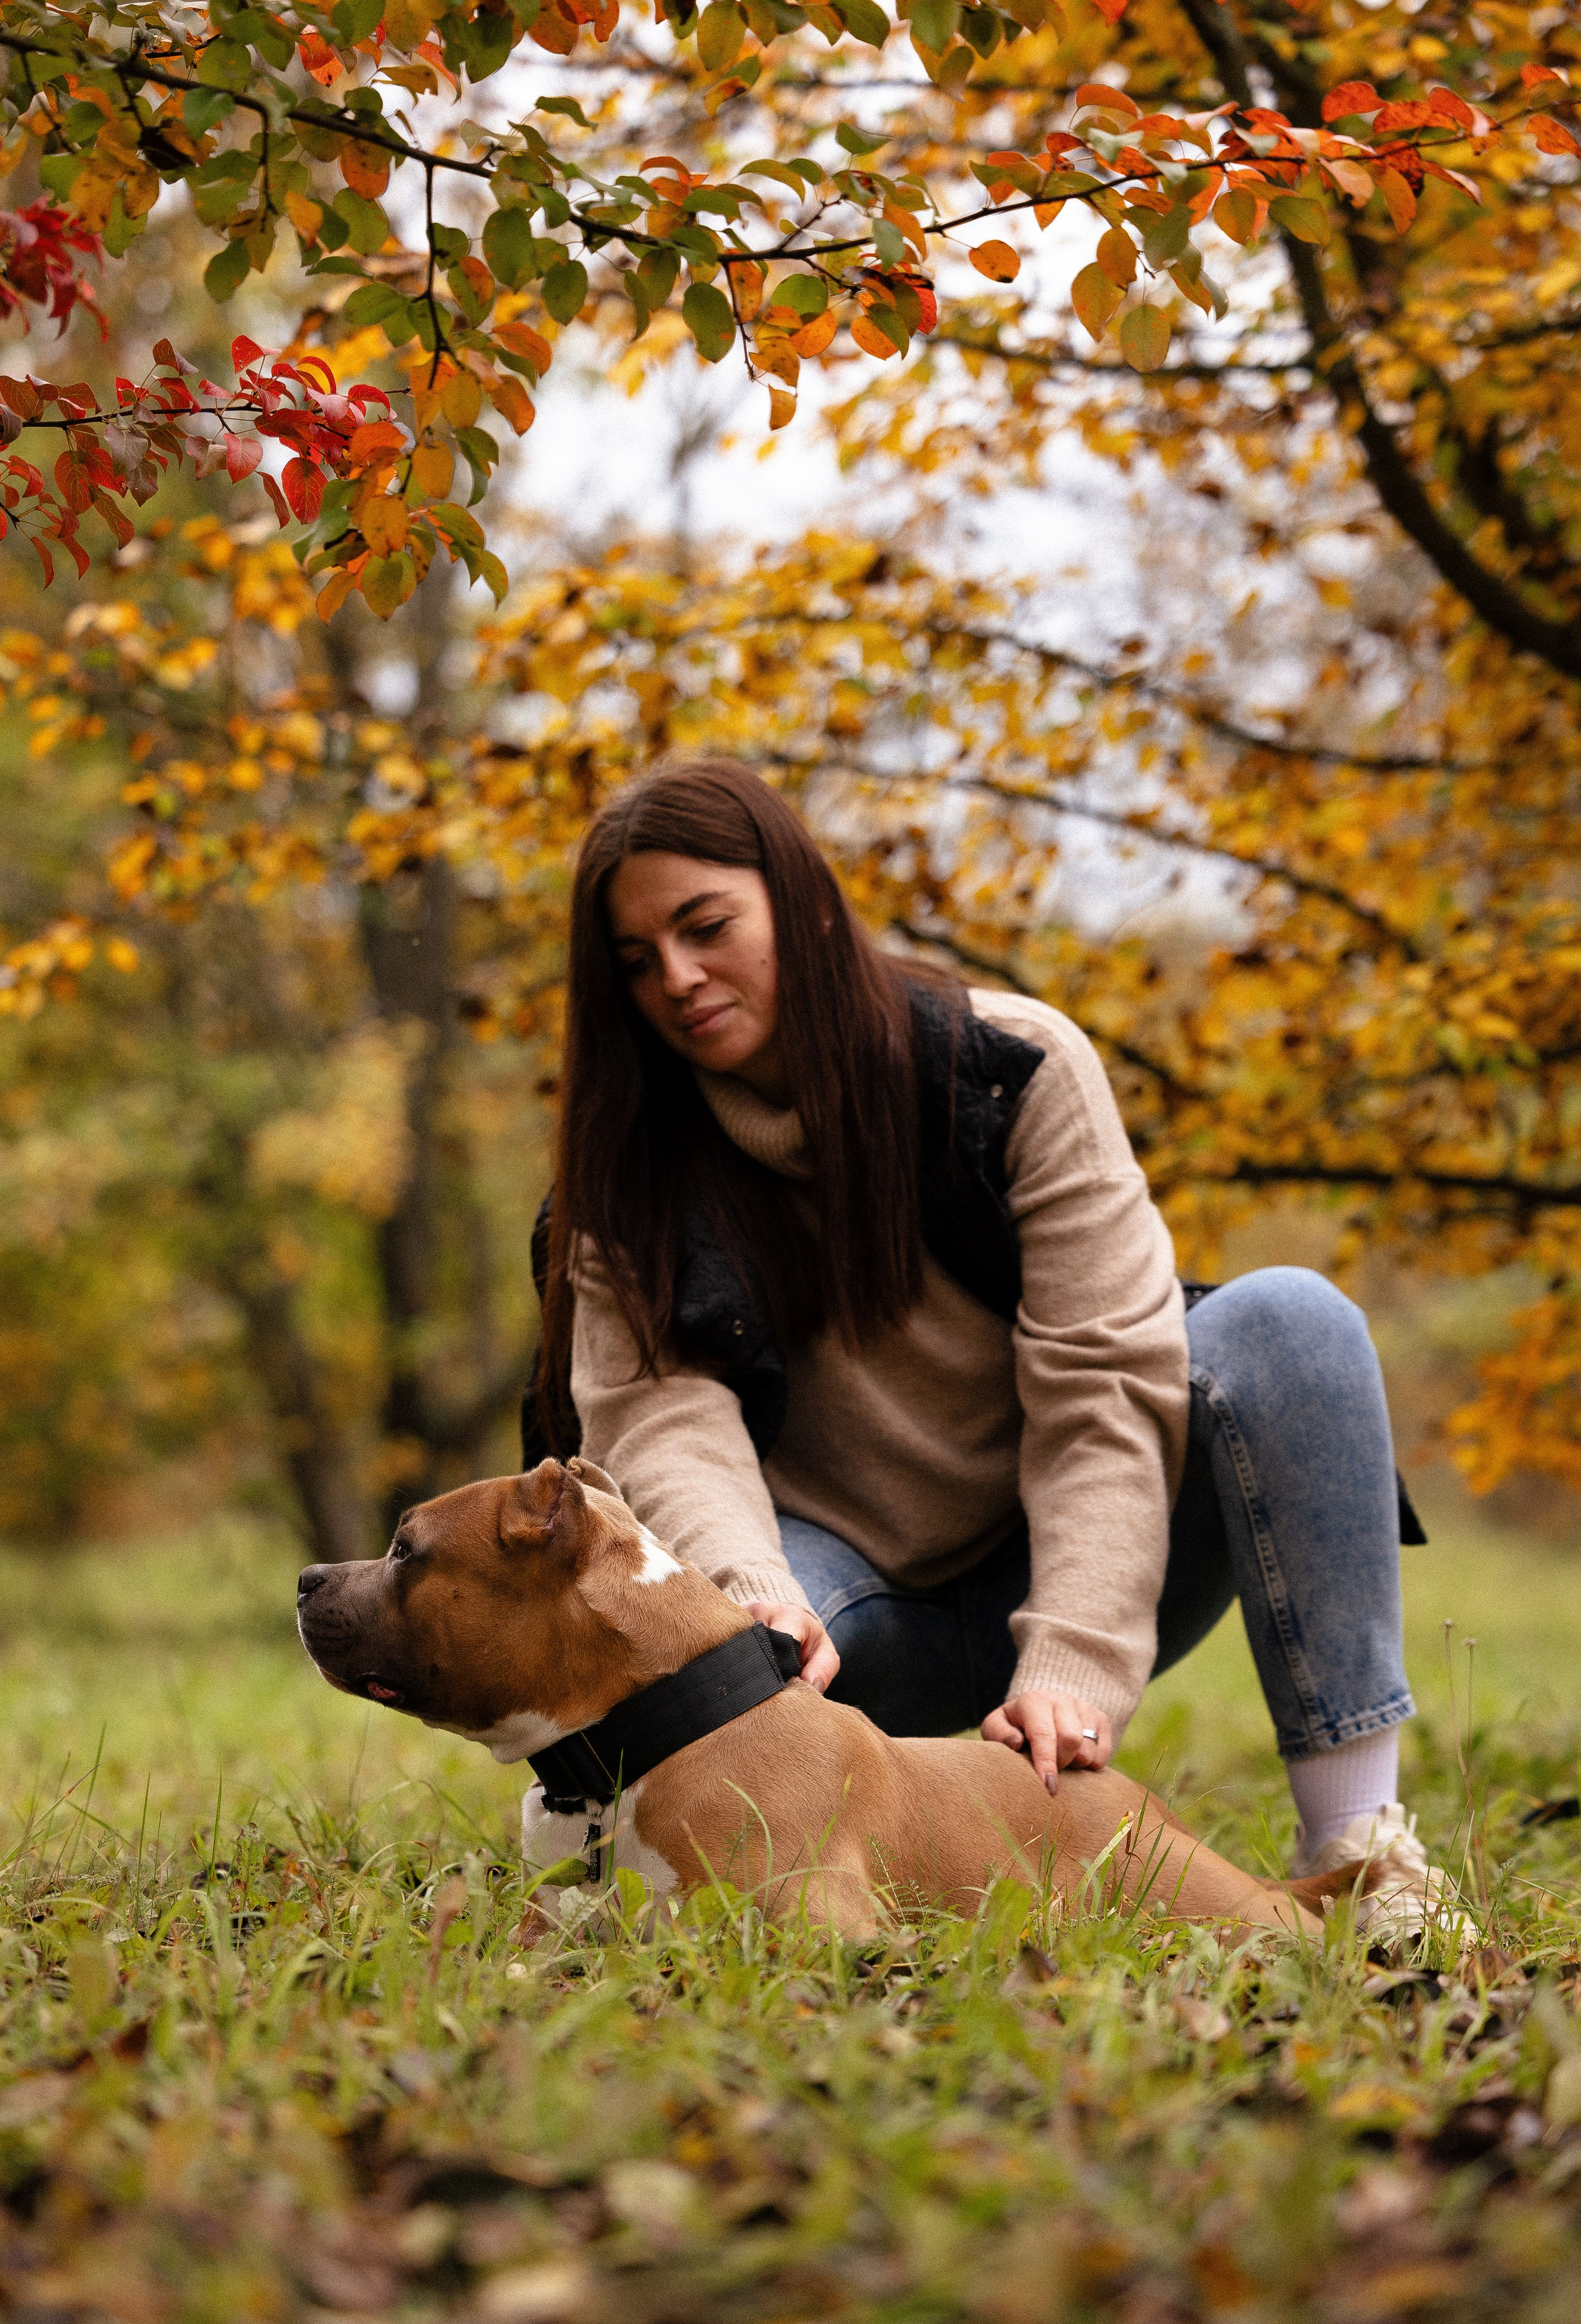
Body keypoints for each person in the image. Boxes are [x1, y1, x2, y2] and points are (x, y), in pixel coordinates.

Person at [528, 755, 1462, 1938]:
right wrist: (747, 1600)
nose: (677, 977)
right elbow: (662, 1419)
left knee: (1289, 1323)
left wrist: (1070, 1656)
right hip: (829, 1634)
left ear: (805, 900)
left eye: (706, 926)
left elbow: (1103, 1391)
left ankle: (1366, 1847)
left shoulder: (1009, 1071)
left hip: (1075, 1571)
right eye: (635, 961)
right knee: (705, 1649)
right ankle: (648, 1861)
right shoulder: (623, 1172)